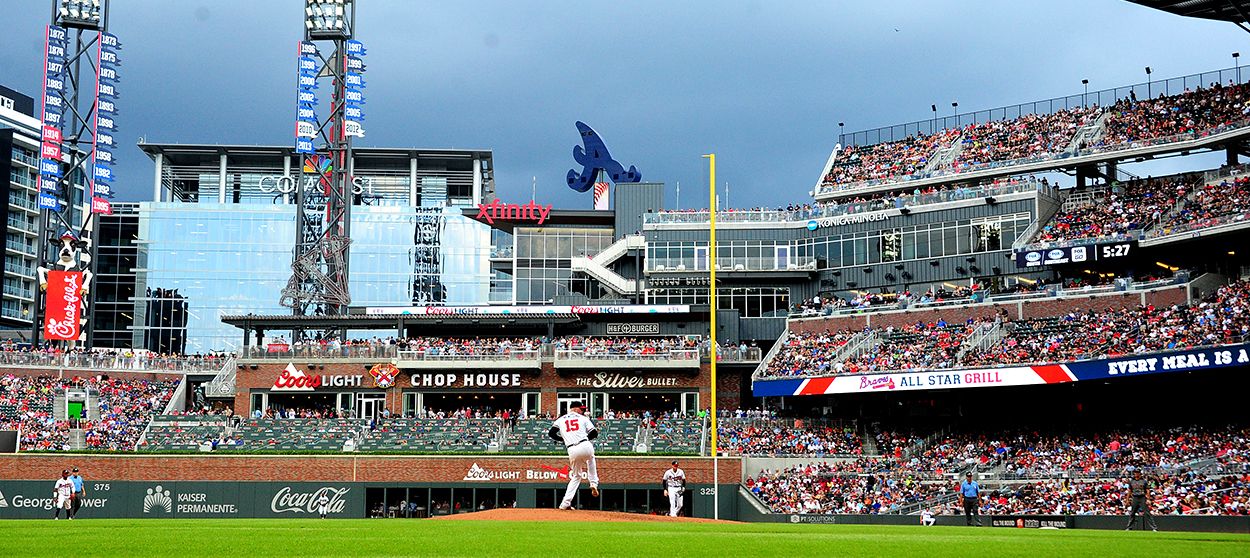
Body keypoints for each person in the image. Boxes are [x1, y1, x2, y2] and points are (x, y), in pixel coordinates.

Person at [548, 402, 599, 510]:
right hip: (585, 444)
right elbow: (594, 433)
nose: (583, 411)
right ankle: (593, 483)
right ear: (575, 409)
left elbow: (551, 433)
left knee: (576, 476)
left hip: (572, 449)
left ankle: (565, 504)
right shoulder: (583, 418)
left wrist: (562, 439)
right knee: (591, 459)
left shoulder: (561, 419)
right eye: (581, 409)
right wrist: (584, 438)